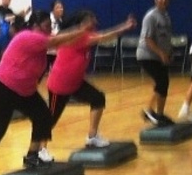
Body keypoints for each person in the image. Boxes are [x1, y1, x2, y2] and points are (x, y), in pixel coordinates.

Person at [0, 9, 99, 175]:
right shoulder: (27, 36)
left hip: (24, 91)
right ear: (35, 26)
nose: (48, 29)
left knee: (43, 116)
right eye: (45, 26)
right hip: (1, 88)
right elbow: (55, 40)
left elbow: (60, 37)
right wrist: (82, 29)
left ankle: (32, 155)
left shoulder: (42, 40)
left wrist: (80, 31)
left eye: (49, 26)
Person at [44, 11, 137, 154]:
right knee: (50, 120)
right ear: (81, 24)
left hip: (75, 84)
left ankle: (92, 137)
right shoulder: (81, 36)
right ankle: (39, 150)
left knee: (98, 98)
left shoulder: (85, 35)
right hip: (59, 85)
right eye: (90, 20)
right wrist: (125, 27)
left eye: (94, 19)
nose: (94, 22)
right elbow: (106, 36)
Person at [137, 0, 176, 126]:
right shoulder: (151, 16)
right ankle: (153, 113)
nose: (163, 0)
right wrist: (161, 53)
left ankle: (157, 113)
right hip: (147, 55)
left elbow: (165, 38)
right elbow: (148, 39)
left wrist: (169, 52)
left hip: (159, 56)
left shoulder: (166, 16)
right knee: (162, 81)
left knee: (163, 83)